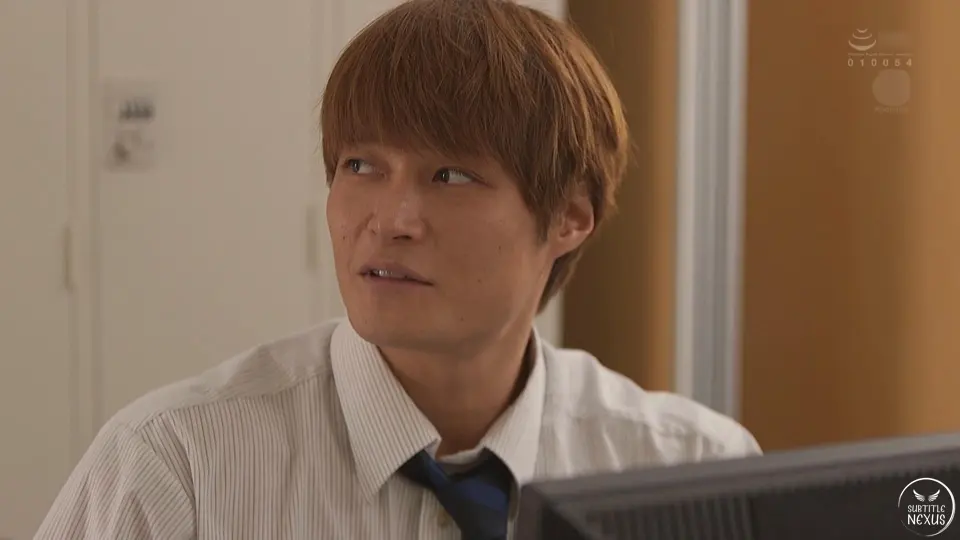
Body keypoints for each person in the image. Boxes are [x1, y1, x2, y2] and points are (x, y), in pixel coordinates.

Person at [35, 1, 760, 538]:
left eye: (451, 175)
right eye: (361, 166)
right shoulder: (178, 466)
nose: (390, 220)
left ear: (569, 216)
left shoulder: (690, 471)